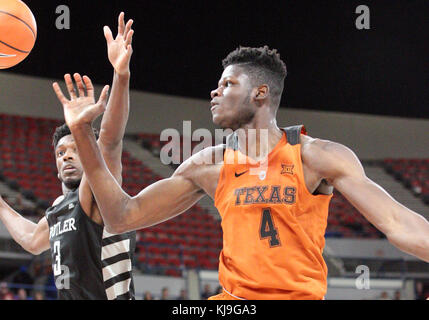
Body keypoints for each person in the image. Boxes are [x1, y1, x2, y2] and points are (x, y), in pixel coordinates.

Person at [61, 46, 429, 300]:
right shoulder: (210, 164)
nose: (214, 91)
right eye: (218, 84)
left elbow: (396, 222)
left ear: (260, 94)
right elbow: (122, 216)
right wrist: (81, 132)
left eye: (228, 84)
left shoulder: (315, 156)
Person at [0, 13, 136, 300]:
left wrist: (120, 75)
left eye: (75, 149)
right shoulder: (61, 205)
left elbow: (110, 141)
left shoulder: (98, 192)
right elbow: (32, 240)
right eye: (61, 152)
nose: (67, 157)